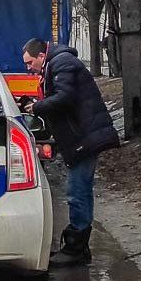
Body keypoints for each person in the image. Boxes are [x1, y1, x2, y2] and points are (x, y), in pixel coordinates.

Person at [21, 39, 120, 266]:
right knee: (79, 189)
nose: (28, 68)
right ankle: (77, 245)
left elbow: (65, 97)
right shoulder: (57, 64)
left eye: (29, 62)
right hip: (82, 136)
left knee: (78, 191)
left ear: (40, 55)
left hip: (84, 137)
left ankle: (76, 248)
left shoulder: (61, 63)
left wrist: (36, 107)